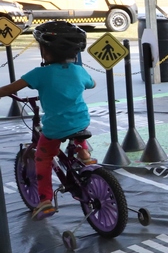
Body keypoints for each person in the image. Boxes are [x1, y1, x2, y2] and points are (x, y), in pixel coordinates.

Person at [0, 22, 96, 220]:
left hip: (56, 128)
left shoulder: (40, 74)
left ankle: (45, 200)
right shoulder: (79, 71)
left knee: (43, 157)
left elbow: (9, 89)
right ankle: (84, 153)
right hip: (82, 120)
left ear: (45, 51)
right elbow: (92, 84)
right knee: (77, 127)